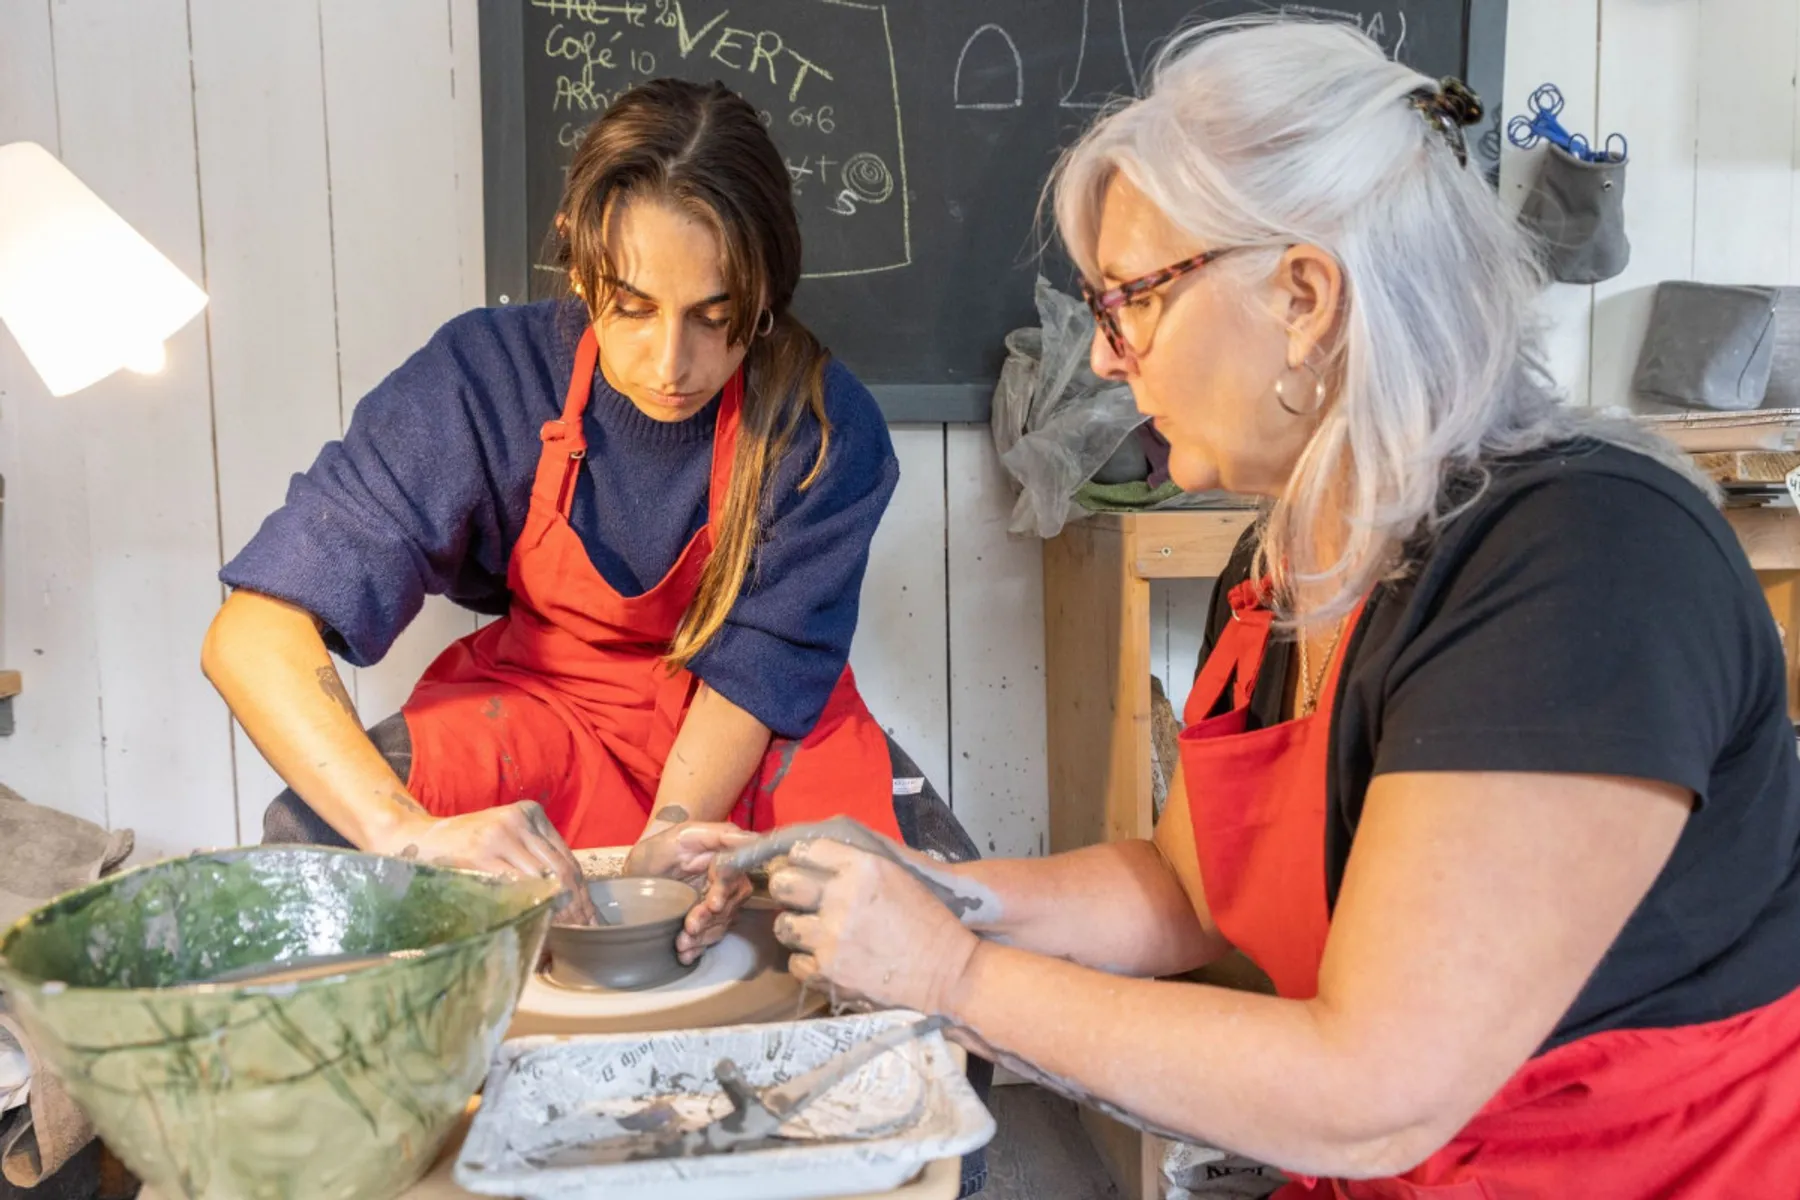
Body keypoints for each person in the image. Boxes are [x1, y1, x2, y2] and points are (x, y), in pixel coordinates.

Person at [752, 18, 1800, 1197]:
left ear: (1304, 295)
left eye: (1129, 302)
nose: (1104, 360)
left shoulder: (1586, 564)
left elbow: (1369, 1095)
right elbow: (1182, 893)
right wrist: (913, 887)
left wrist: (952, 978)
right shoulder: (1292, 550)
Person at [201, 78, 983, 950]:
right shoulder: (482, 380)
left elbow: (751, 681)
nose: (671, 363)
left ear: (766, 294)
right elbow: (250, 632)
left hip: (747, 725)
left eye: (716, 317)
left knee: (930, 926)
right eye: (634, 308)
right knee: (313, 852)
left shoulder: (822, 425)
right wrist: (404, 834)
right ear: (580, 265)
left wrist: (669, 833)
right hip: (547, 703)